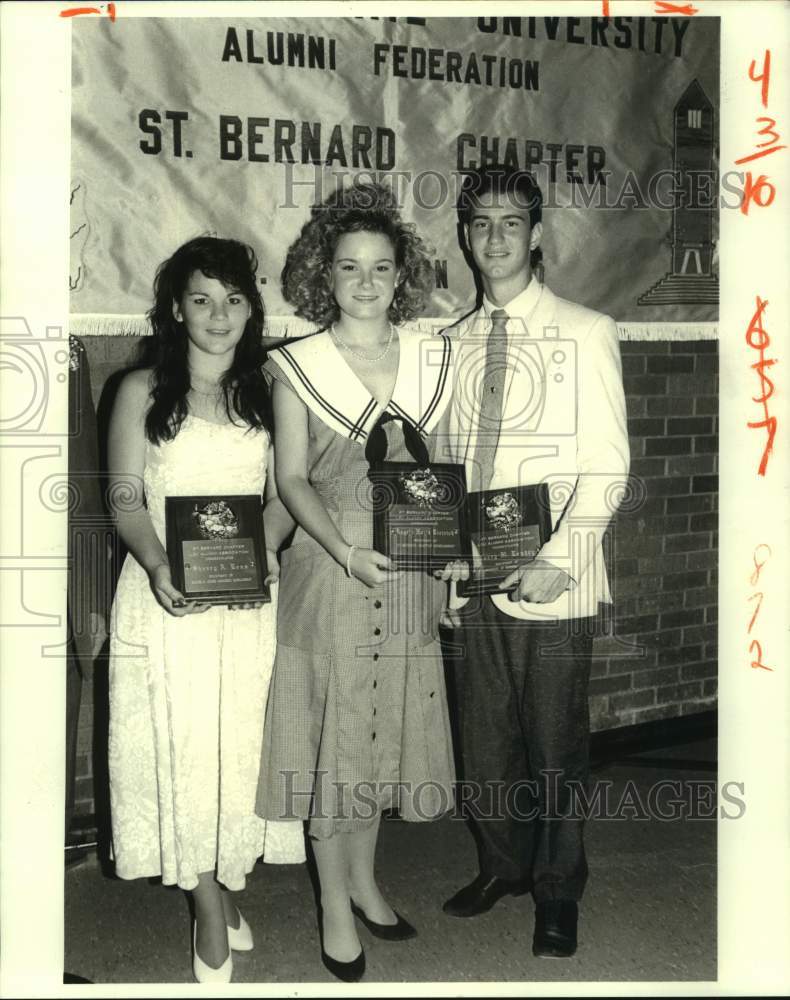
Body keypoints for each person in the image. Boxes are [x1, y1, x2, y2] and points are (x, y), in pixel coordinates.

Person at [256, 182, 460, 982]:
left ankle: (368, 883)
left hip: (407, 571)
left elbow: (438, 470)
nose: (367, 283)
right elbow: (293, 480)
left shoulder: (432, 357)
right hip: (331, 569)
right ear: (323, 275)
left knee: (381, 737)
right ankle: (332, 909)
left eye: (381, 267)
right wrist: (344, 550)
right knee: (333, 740)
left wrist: (447, 554)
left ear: (402, 274)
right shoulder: (297, 366)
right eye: (349, 268)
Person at [441, 166, 630, 958]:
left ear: (538, 233)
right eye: (480, 222)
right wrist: (443, 555)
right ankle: (503, 865)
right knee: (483, 745)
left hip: (552, 576)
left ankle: (557, 890)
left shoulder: (586, 330)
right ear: (464, 233)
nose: (494, 237)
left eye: (511, 223)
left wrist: (562, 557)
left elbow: (610, 466)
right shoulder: (449, 341)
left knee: (554, 746)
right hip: (474, 573)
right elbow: (447, 462)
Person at [106, 236, 305, 984]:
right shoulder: (137, 390)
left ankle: (219, 882)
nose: (218, 316)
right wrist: (157, 563)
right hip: (165, 600)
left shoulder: (275, 389)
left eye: (233, 299)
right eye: (201, 299)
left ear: (252, 308)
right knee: (176, 750)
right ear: (174, 308)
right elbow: (125, 497)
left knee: (233, 754)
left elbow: (285, 493)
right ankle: (210, 910)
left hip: (247, 601)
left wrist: (271, 546)